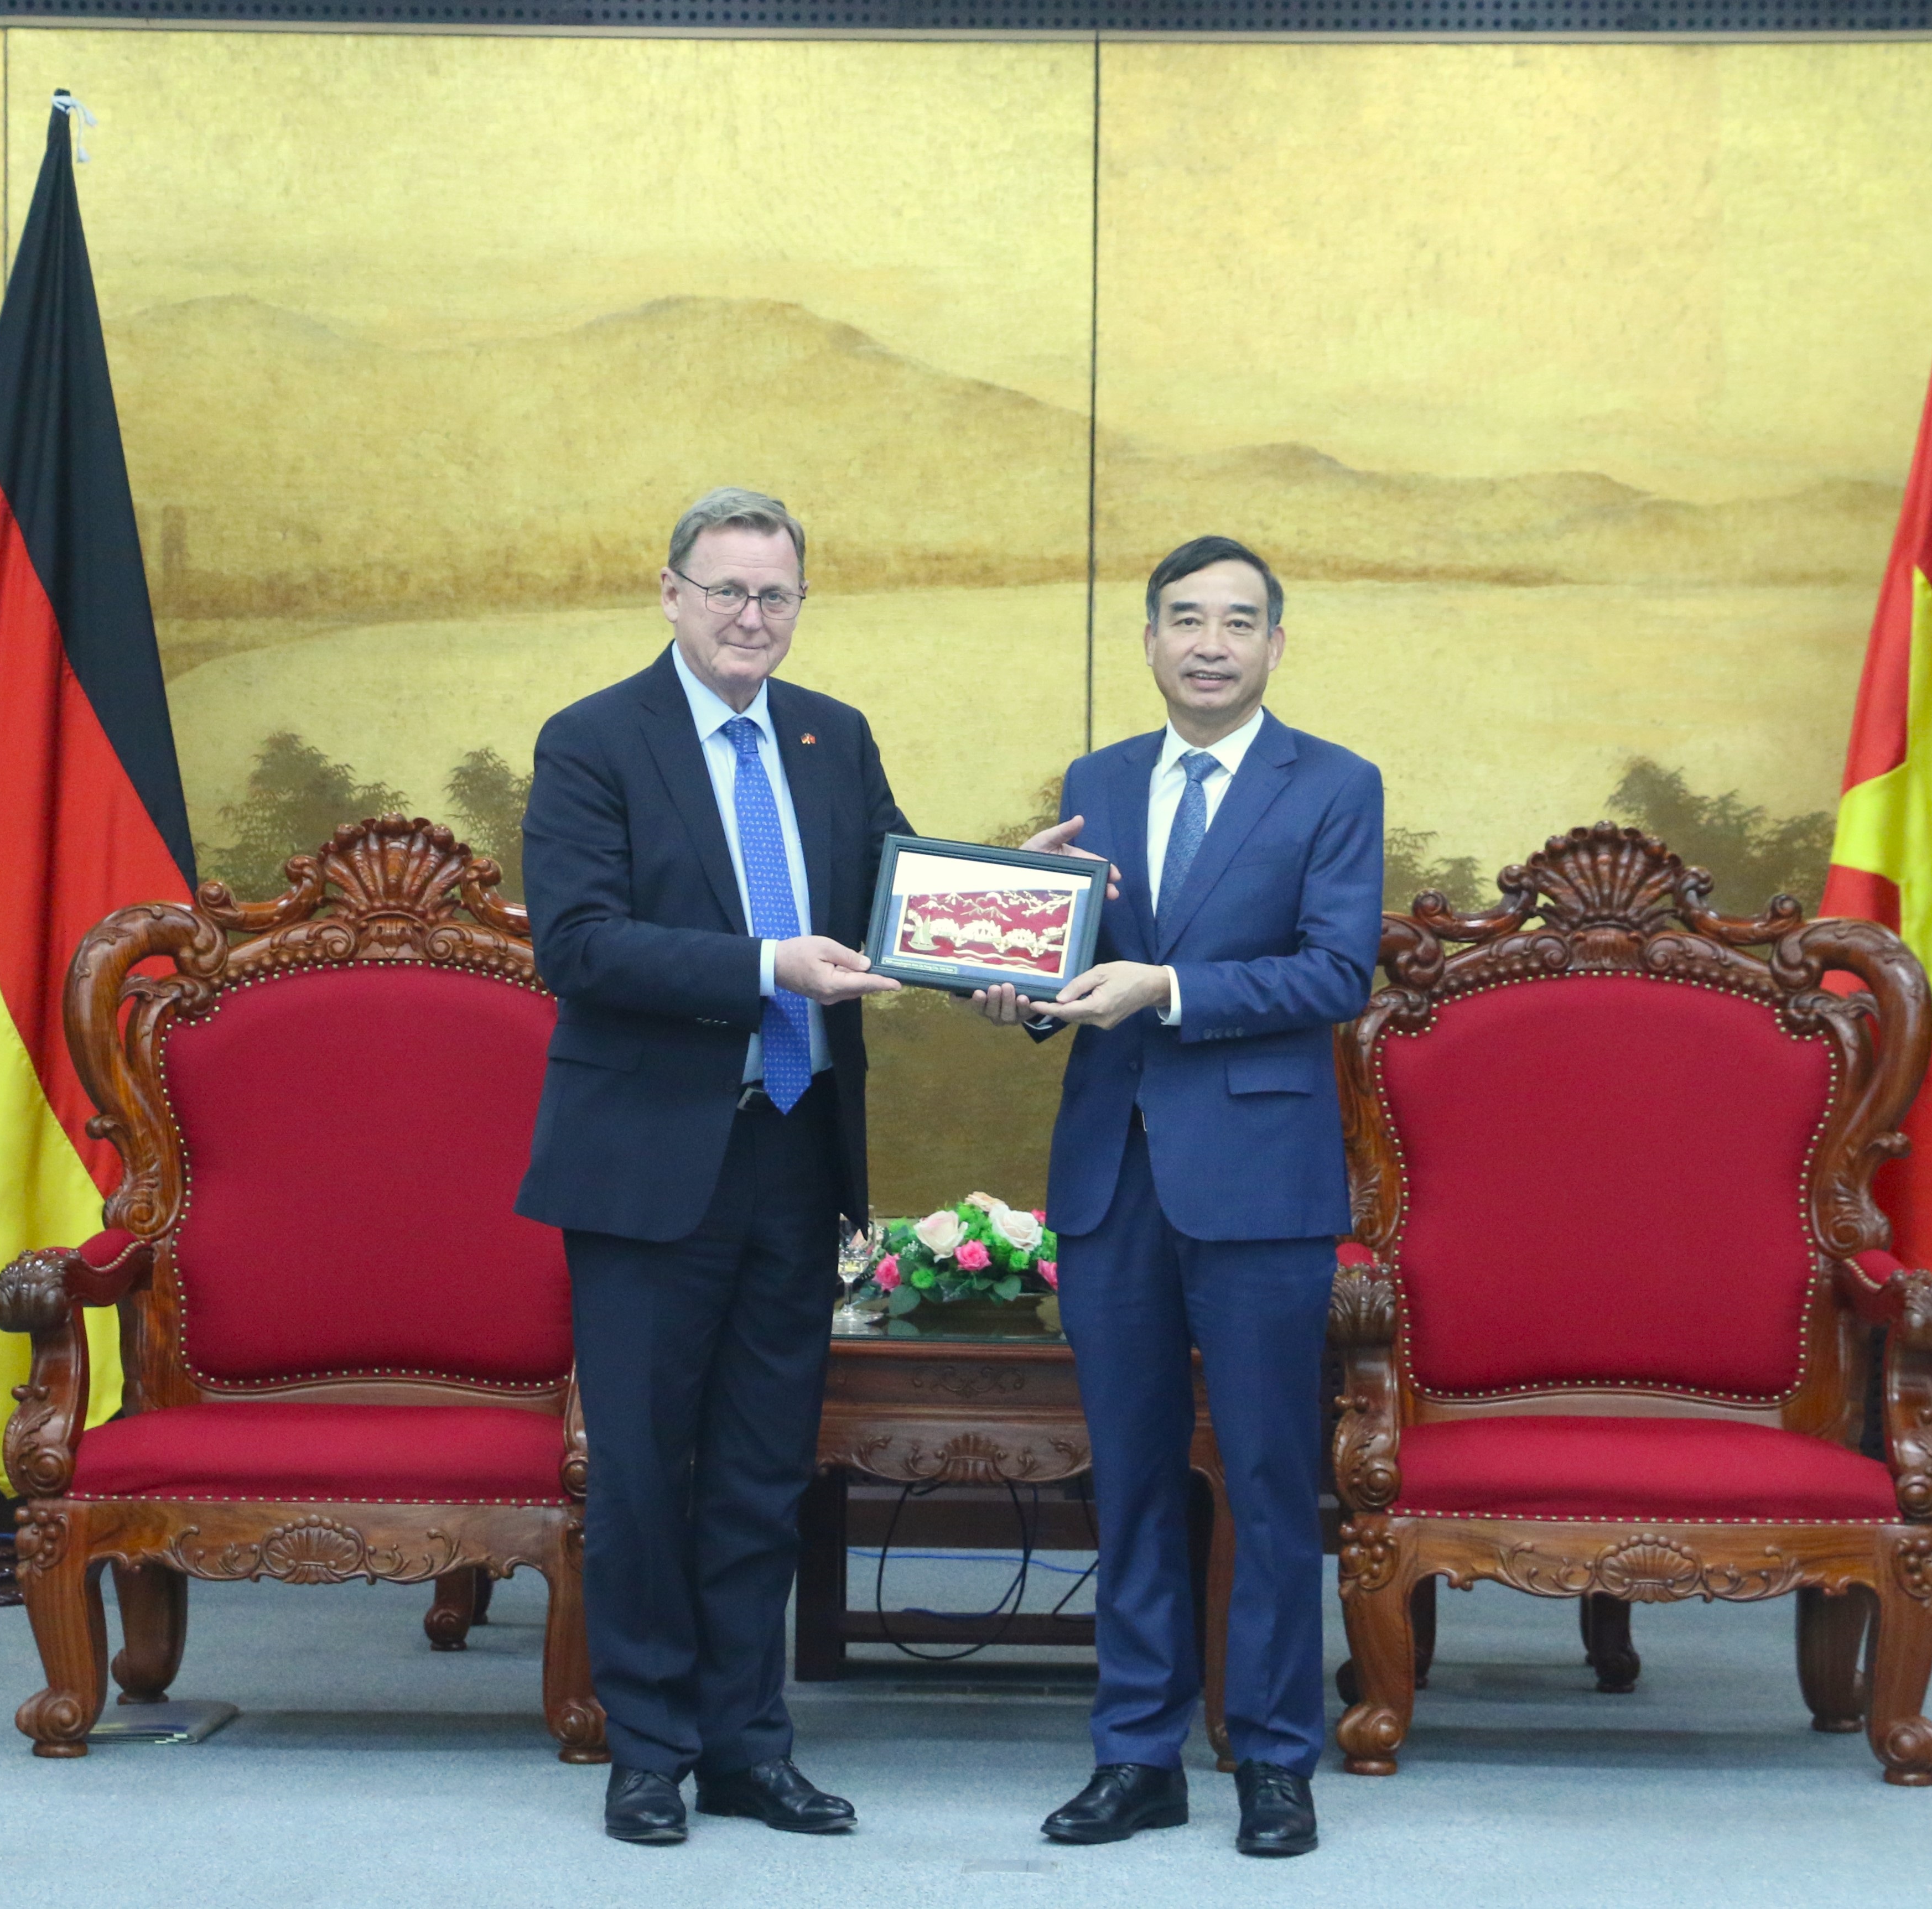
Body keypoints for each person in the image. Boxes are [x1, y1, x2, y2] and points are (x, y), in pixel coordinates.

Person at [974, 535, 1384, 1858]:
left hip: (1259, 1181)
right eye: (1186, 620)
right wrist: (1015, 971)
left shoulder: (1332, 784)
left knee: (1267, 1479)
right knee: (1133, 1480)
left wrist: (1172, 988)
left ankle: (1272, 1759)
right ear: (1148, 641)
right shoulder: (1096, 780)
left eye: (1238, 622)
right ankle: (1136, 1754)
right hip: (1111, 1175)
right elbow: (1072, 971)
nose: (1210, 643)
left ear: (1276, 645)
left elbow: (1335, 973)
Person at [518, 487, 908, 1846]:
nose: (753, 617)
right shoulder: (592, 741)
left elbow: (885, 908)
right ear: (671, 593)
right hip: (645, 1170)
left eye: (777, 596)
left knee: (757, 1469)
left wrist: (998, 907)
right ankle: (648, 1746)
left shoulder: (832, 737)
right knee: (643, 1467)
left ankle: (748, 1744)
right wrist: (763, 969)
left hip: (796, 1154)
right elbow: (578, 943)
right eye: (728, 590)